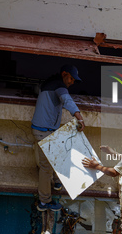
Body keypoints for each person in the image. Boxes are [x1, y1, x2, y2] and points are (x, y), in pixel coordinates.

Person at [31, 64, 85, 212]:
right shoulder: (59, 86)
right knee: (45, 167)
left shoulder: (50, 83)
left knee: (58, 153)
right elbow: (67, 101)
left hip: (44, 129)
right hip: (44, 132)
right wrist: (79, 117)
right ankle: (44, 202)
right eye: (71, 78)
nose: (72, 82)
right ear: (64, 74)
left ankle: (56, 182)